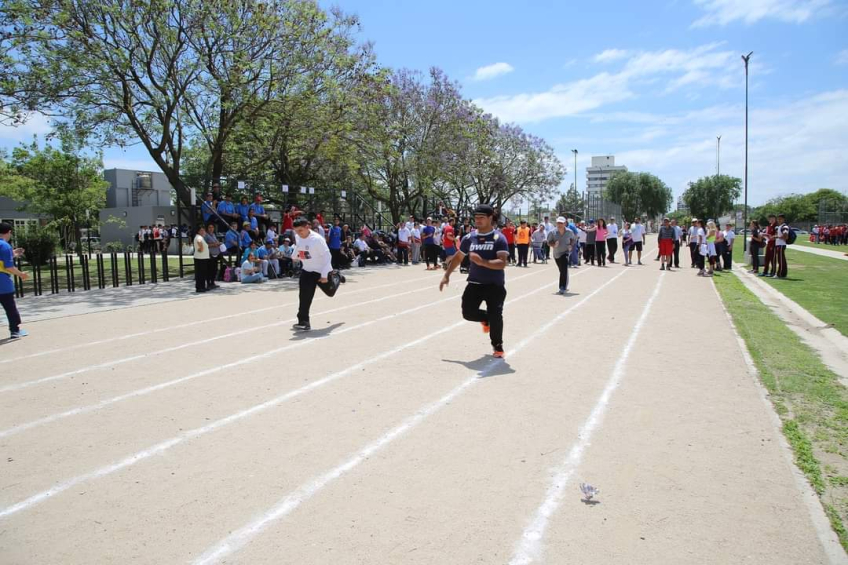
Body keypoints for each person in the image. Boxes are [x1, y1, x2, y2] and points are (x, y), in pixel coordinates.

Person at [440, 204, 509, 359]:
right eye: (476, 218)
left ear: (490, 218)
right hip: (475, 284)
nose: (477, 220)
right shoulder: (469, 238)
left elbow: (502, 263)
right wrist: (447, 275)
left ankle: (497, 345)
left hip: (495, 285)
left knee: (496, 315)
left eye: (481, 218)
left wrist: (482, 262)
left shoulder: (499, 238)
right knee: (468, 313)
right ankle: (485, 319)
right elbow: (458, 257)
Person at [291, 218, 335, 331]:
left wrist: (325, 275)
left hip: (320, 272)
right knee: (304, 296)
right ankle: (304, 322)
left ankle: (337, 276)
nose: (298, 233)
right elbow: (298, 247)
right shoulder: (298, 236)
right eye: (296, 231)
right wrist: (294, 255)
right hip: (307, 271)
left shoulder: (317, 240)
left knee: (330, 292)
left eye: (300, 230)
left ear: (307, 227)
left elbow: (327, 257)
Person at [0, 223, 29, 339]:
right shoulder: (5, 246)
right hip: (3, 284)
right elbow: (8, 267)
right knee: (10, 308)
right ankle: (15, 331)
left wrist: (13, 253)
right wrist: (21, 274)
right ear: (9, 232)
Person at [548, 216, 577, 295]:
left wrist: (571, 245)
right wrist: (553, 244)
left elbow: (573, 239)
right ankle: (565, 281)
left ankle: (562, 287)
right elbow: (548, 242)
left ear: (565, 223)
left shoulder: (569, 231)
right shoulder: (552, 232)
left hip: (565, 252)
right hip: (557, 254)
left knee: (564, 268)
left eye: (561, 223)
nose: (559, 224)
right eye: (558, 223)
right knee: (562, 270)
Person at [204, 223, 222, 288]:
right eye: (209, 227)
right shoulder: (206, 235)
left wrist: (218, 243)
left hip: (216, 254)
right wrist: (213, 245)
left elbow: (216, 242)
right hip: (210, 254)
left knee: (214, 269)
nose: (211, 229)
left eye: (212, 227)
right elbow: (205, 245)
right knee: (209, 269)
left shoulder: (214, 235)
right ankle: (208, 283)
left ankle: (213, 282)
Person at [193, 226, 209, 293]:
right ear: (198, 231)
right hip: (200, 258)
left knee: (202, 273)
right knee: (200, 273)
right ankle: (199, 287)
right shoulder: (199, 238)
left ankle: (202, 286)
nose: (203, 232)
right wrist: (200, 249)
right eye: (201, 230)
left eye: (203, 230)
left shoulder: (200, 237)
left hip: (202, 258)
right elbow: (201, 247)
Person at [775, 213, 790, 279]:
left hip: (781, 245)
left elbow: (785, 235)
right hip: (779, 245)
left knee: (781, 260)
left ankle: (780, 274)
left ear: (783, 219)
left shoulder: (784, 226)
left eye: (780, 219)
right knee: (781, 260)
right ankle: (783, 273)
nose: (779, 220)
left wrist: (778, 237)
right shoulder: (780, 226)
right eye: (778, 219)